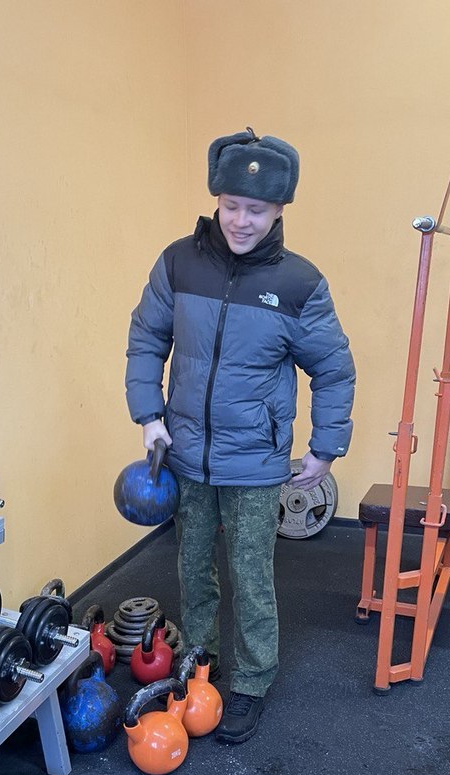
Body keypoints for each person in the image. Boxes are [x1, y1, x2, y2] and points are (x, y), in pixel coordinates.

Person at [124, 128, 355, 743]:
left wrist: (326, 447)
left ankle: (252, 681)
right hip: (185, 453)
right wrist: (149, 415)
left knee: (251, 576)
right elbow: (147, 337)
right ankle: (200, 665)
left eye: (256, 209)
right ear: (217, 201)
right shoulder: (178, 262)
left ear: (279, 211)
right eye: (231, 206)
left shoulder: (300, 283)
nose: (241, 221)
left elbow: (333, 369)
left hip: (254, 461)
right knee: (192, 568)